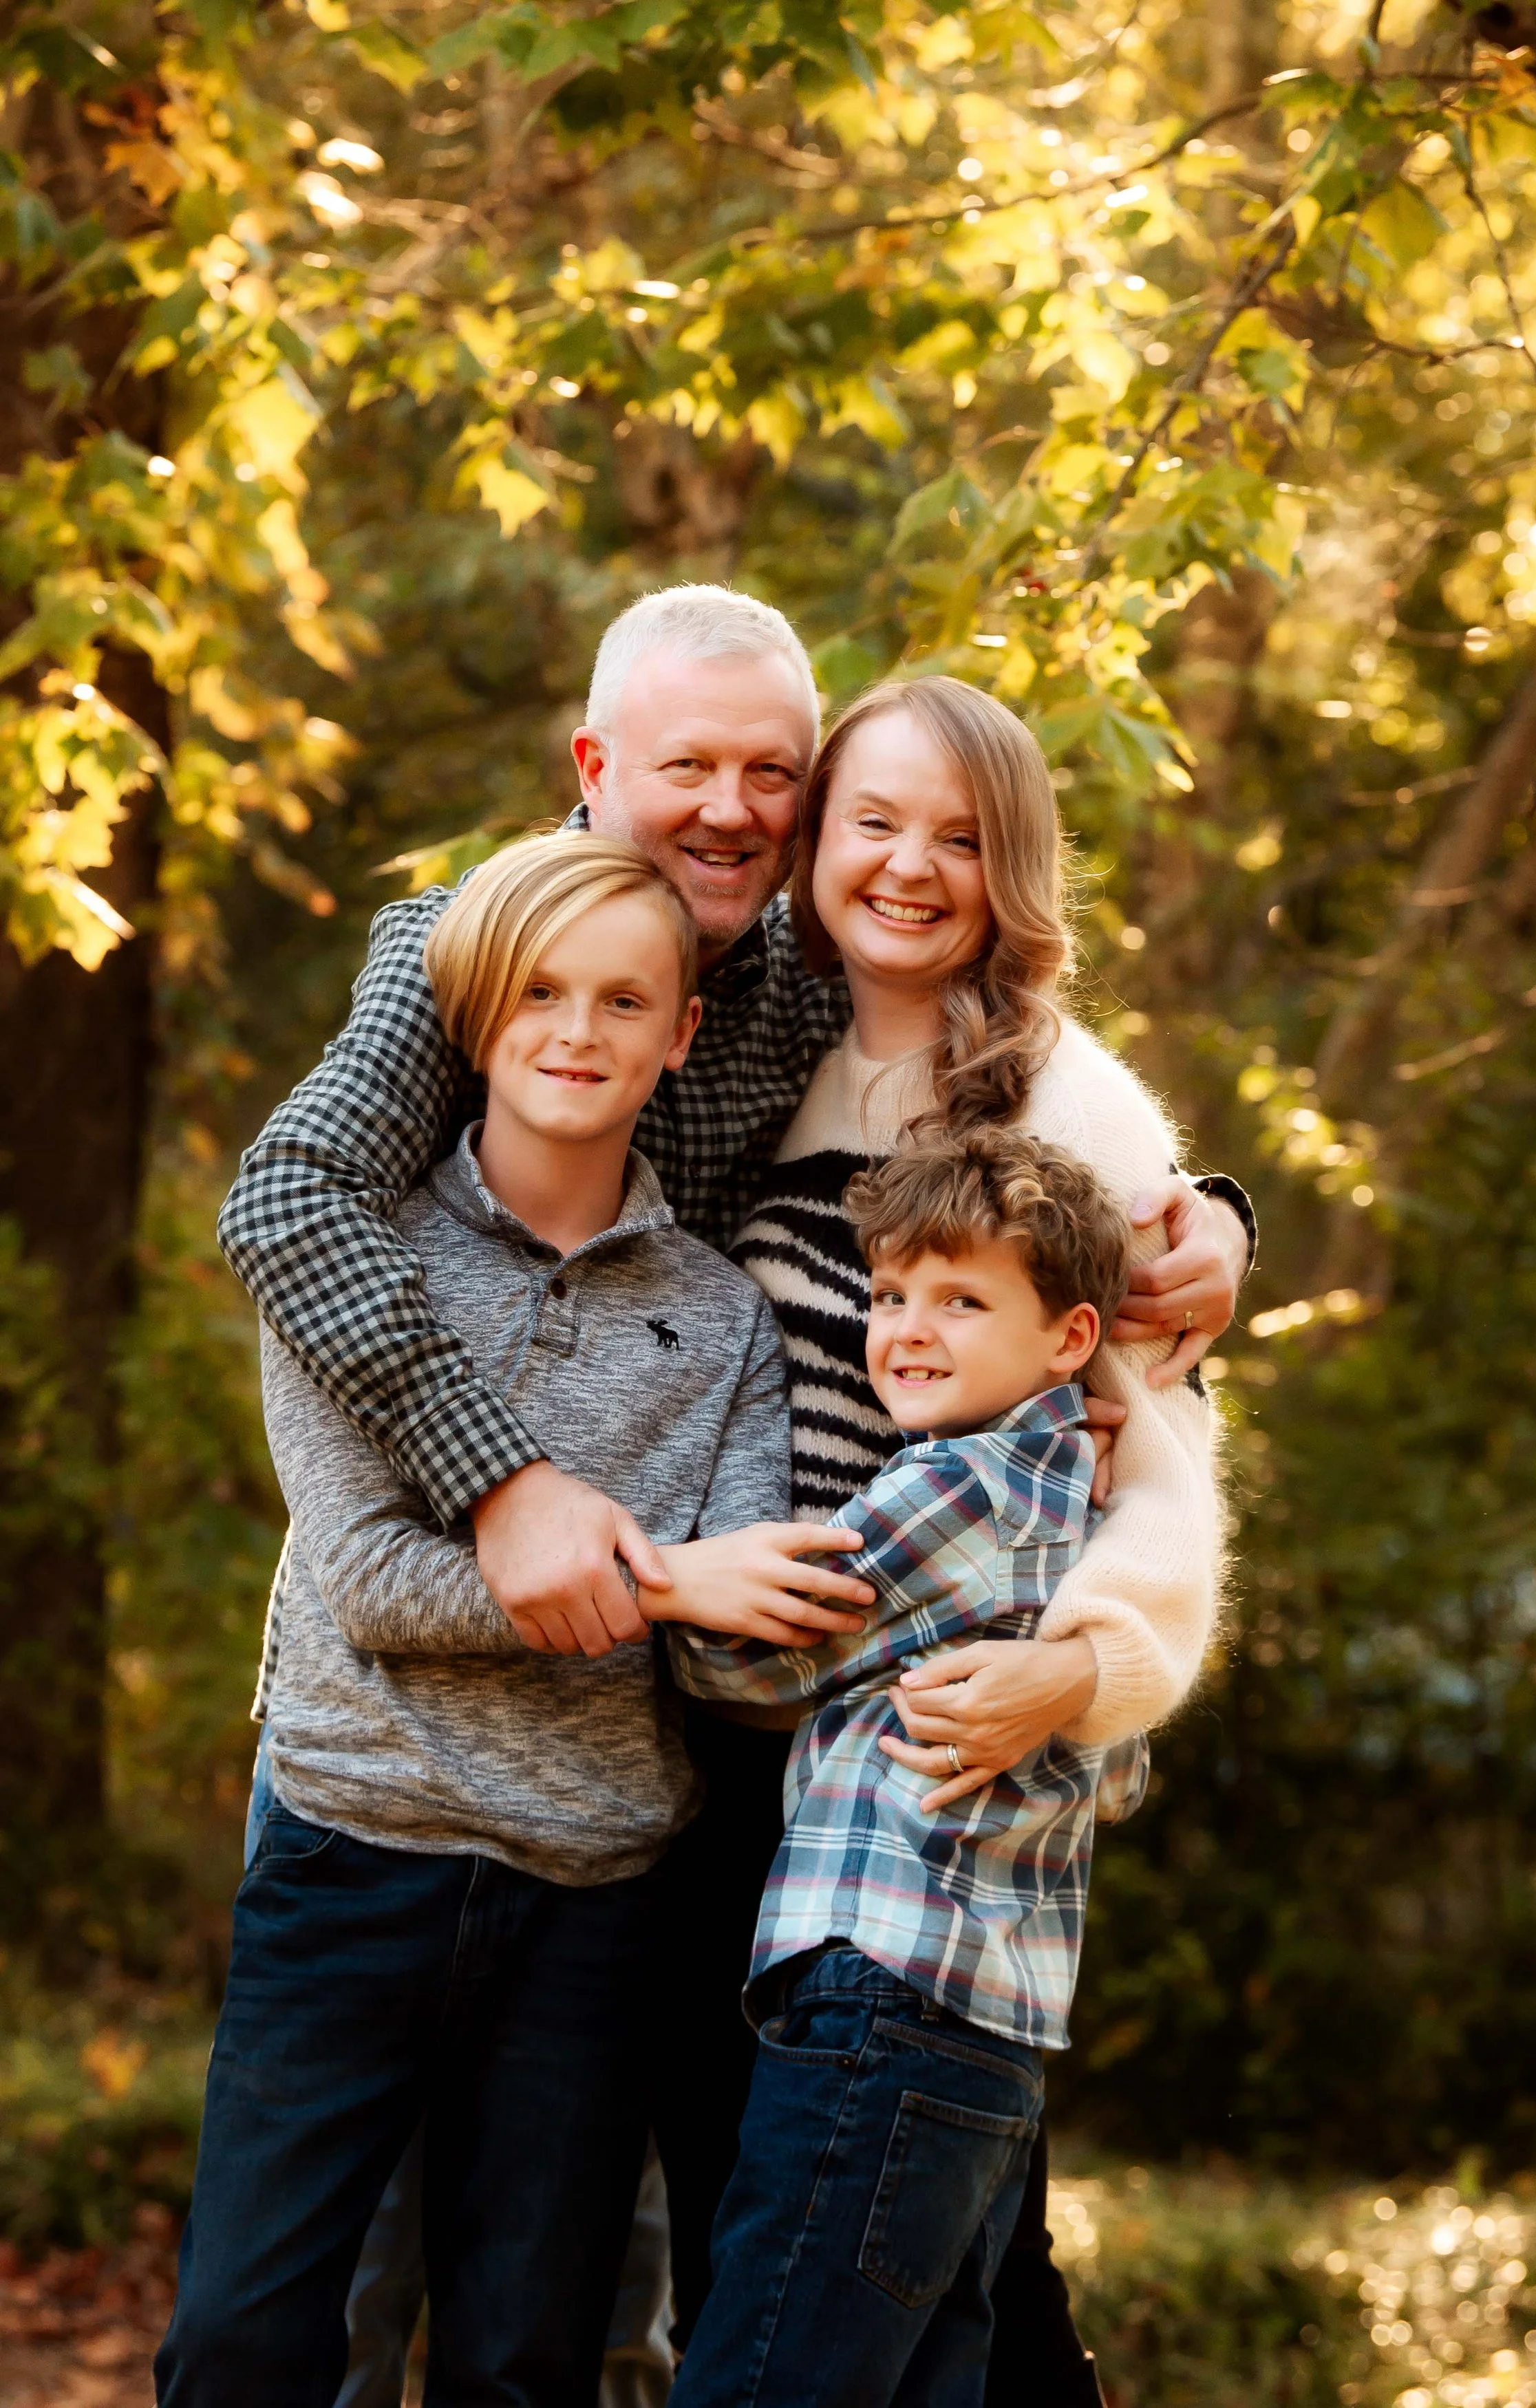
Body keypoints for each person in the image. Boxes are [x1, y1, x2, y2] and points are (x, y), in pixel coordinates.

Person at [215, 586, 1253, 2389]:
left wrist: (1215, 1226)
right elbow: (287, 1202)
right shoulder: (463, 952)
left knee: (765, 2288)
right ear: (591, 763)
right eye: (684, 764)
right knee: (318, 2306)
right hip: (432, 1750)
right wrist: (506, 1481)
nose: (728, 806)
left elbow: (1127, 1381)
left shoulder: (831, 1008)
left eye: (768, 772)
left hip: (794, 1773)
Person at [160, 835, 867, 2408]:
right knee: (241, 2344)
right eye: (538, 993)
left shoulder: (725, 1313)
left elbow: (736, 1639)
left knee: (524, 2364)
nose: (576, 1031)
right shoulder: (364, 1268)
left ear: (679, 1037)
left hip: (593, 1898)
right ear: (472, 1017)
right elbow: (379, 1589)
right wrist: (674, 1574)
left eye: (624, 1000)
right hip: (352, 1862)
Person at [724, 672, 1227, 2403]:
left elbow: (1159, 1452)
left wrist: (1082, 1673)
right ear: (810, 843)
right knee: (914, 2310)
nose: (910, 866)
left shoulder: (1069, 1105)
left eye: (960, 835)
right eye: (871, 820)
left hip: (938, 1796)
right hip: (769, 1771)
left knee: (905, 2292)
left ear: (1013, 870)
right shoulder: (744, 1053)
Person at [664, 1128, 1216, 2407]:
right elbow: (1116, 1766)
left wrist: (665, 1586)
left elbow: (750, 1660)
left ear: (1071, 1338)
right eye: (892, 1293)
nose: (909, 1329)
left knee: (760, 2372)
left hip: (878, 1994)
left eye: (963, 1300)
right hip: (991, 2030)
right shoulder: (1079, 1505)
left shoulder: (953, 1488)